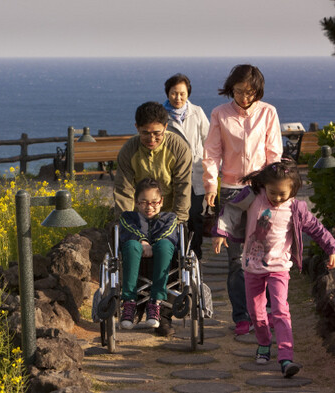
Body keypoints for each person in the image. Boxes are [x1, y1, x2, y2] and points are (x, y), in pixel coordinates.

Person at [212, 160, 335, 378]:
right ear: (264, 186)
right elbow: (230, 209)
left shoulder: (296, 208)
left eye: (282, 194)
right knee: (256, 313)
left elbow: (316, 228)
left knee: (280, 310)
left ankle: (286, 357)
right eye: (272, 192)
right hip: (252, 266)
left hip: (279, 267)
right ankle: (264, 343)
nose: (277, 198)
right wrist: (221, 233)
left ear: (293, 190)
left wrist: (331, 247)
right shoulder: (253, 198)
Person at [202, 64, 283, 335]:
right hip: (231, 190)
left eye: (250, 93)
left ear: (257, 91)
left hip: (262, 190)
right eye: (238, 92)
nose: (244, 98)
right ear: (230, 89)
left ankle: (268, 311)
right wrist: (211, 185)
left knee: (266, 252)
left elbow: (274, 153)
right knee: (236, 259)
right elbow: (212, 153)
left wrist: (273, 189)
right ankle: (241, 316)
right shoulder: (219, 114)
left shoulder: (268, 112)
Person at [114, 101, 192, 336]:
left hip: (169, 216)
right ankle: (134, 306)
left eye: (157, 133)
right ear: (137, 127)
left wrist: (174, 224)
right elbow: (123, 191)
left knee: (172, 256)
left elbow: (183, 188)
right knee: (132, 249)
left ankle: (164, 314)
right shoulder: (129, 151)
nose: (152, 139)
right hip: (137, 215)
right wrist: (134, 229)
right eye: (145, 133)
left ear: (166, 127)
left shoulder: (178, 148)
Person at [119, 178, 179, 330]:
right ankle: (129, 302)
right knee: (132, 244)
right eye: (143, 202)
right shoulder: (128, 217)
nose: (149, 207)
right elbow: (128, 231)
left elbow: (169, 233)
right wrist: (143, 241)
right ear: (136, 202)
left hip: (163, 258)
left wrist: (151, 245)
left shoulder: (170, 218)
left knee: (165, 244)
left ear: (161, 201)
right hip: (135, 258)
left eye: (154, 202)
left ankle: (156, 301)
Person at [164, 73, 210, 260]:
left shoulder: (197, 112)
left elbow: (209, 140)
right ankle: (176, 257)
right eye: (174, 93)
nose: (178, 98)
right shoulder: (161, 115)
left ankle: (194, 255)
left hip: (195, 174)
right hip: (171, 174)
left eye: (182, 94)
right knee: (173, 216)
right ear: (168, 93)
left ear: (188, 94)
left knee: (194, 215)